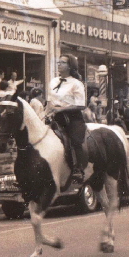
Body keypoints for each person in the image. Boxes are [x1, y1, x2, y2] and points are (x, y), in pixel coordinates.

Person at [46, 54, 88, 183]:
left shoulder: (76, 84)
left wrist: (61, 109)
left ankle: (79, 169)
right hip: (55, 117)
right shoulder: (53, 81)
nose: (59, 64)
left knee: (75, 141)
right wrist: (46, 113)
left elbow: (81, 105)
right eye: (58, 62)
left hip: (72, 118)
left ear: (70, 66)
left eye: (62, 62)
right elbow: (49, 102)